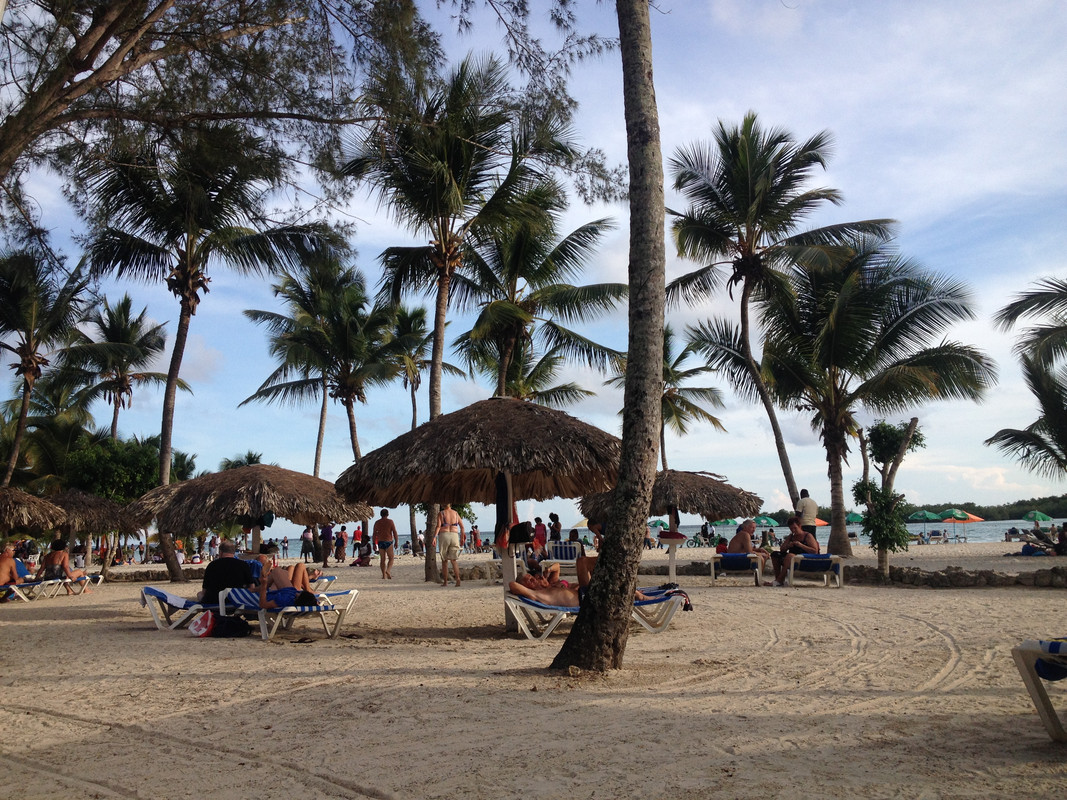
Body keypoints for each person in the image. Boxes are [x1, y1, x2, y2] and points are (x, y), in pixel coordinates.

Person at [771, 516, 820, 586]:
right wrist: (788, 546)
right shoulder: (791, 537)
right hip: (791, 558)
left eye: (795, 528)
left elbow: (815, 551)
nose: (793, 530)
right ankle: (778, 579)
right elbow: (782, 549)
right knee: (775, 554)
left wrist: (801, 545)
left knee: (790, 556)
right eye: (791, 529)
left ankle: (779, 579)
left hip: (804, 558)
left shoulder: (807, 536)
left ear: (799, 526)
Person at [434, 503, 464, 587]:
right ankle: (458, 579)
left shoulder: (441, 513)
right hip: (454, 535)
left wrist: (434, 537)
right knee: (453, 560)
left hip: (444, 534)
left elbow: (438, 526)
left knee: (444, 560)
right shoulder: (455, 513)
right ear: (450, 504)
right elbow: (462, 526)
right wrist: (462, 537)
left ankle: (445, 582)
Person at [373, 508, 399, 579]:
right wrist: (396, 542)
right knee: (391, 558)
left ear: (380, 514)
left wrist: (373, 544)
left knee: (382, 559)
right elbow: (394, 532)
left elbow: (374, 534)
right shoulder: (390, 522)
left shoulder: (377, 522)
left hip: (380, 541)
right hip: (388, 541)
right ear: (387, 514)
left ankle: (384, 575)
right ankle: (388, 570)